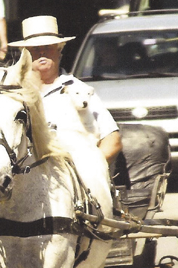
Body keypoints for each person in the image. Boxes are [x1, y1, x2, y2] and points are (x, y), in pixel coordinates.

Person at [9, 15, 122, 164]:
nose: (42, 53)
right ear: (25, 55)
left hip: (75, 178)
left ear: (59, 51)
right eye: (35, 49)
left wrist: (89, 168)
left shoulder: (80, 90)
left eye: (48, 48)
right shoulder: (13, 94)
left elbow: (112, 141)